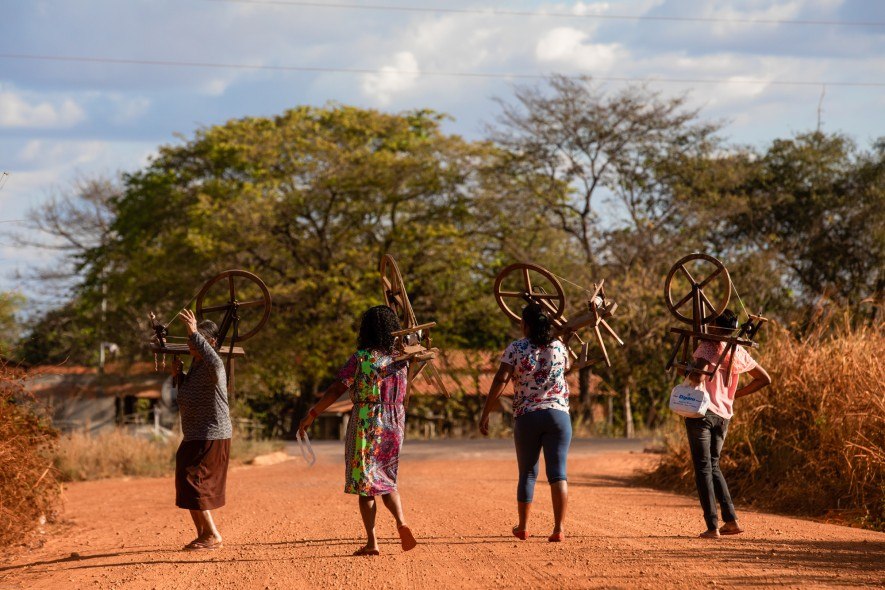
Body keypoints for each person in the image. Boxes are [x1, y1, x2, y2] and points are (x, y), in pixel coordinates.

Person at [298, 305, 418, 556]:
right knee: (387, 479)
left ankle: (372, 542)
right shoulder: (402, 359)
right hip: (394, 422)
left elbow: (335, 389)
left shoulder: (361, 358)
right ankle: (401, 522)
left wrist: (312, 414)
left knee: (366, 484)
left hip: (366, 420)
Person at [479, 302, 572, 542]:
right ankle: (559, 529)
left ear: (525, 324)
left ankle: (522, 527)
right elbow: (568, 368)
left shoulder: (516, 348)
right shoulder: (560, 348)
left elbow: (501, 378)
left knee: (528, 474)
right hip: (558, 416)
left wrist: (486, 412)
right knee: (558, 473)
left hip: (527, 416)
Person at [686, 309, 771, 539]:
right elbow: (764, 378)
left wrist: (692, 367)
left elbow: (698, 377)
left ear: (714, 326)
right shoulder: (737, 350)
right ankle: (731, 521)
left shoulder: (708, 346)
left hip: (701, 414)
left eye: (710, 323)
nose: (707, 326)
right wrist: (734, 395)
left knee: (703, 468)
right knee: (713, 465)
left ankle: (712, 526)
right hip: (723, 416)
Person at [171, 309, 232, 551]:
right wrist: (179, 376)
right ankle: (203, 534)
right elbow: (189, 397)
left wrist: (194, 331)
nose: (190, 342)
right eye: (190, 339)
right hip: (195, 434)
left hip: (211, 434)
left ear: (211, 343)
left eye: (196, 339)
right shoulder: (197, 368)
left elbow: (213, 360)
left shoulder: (214, 365)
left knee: (193, 481)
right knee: (184, 479)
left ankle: (212, 535)